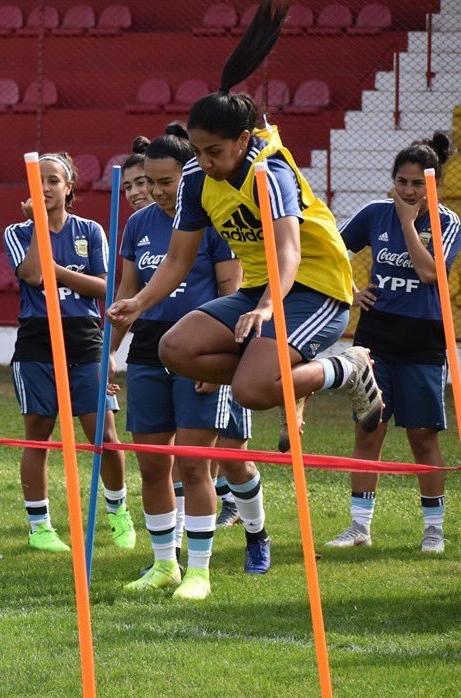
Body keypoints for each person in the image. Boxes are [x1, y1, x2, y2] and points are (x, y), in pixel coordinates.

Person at [107, 0, 383, 494]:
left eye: (215, 152)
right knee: (175, 348)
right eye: (198, 151)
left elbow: (289, 255)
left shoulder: (269, 172)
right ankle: (270, 368)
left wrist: (263, 307)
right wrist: (138, 303)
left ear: (242, 139)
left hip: (315, 289)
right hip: (263, 289)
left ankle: (349, 367)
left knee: (253, 391)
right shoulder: (196, 179)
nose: (205, 162)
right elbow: (177, 259)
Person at [110, 124, 269, 602]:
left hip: (198, 350)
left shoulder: (215, 222)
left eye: (168, 182)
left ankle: (200, 571)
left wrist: (217, 363)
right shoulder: (137, 226)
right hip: (147, 351)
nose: (157, 192)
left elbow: (231, 293)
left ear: (190, 177)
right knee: (153, 468)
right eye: (151, 182)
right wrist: (107, 355)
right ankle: (165, 566)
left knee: (197, 467)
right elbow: (127, 295)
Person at [325, 134, 460, 553]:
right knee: (369, 430)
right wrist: (349, 289)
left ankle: (433, 529)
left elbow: (429, 274)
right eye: (402, 181)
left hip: (423, 342)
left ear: (432, 184)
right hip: (374, 340)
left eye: (418, 183)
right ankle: (359, 527)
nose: (408, 190)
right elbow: (329, 251)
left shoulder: (447, 221)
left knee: (422, 436)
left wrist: (408, 221)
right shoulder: (373, 213)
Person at [4, 152, 135, 553]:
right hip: (37, 341)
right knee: (38, 436)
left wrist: (57, 271)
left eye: (53, 180)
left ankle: (118, 513)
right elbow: (31, 274)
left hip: (84, 338)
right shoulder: (17, 231)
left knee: (105, 435)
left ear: (69, 186)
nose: (44, 188)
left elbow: (106, 288)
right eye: (37, 181)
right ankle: (39, 526)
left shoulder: (90, 230)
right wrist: (40, 229)